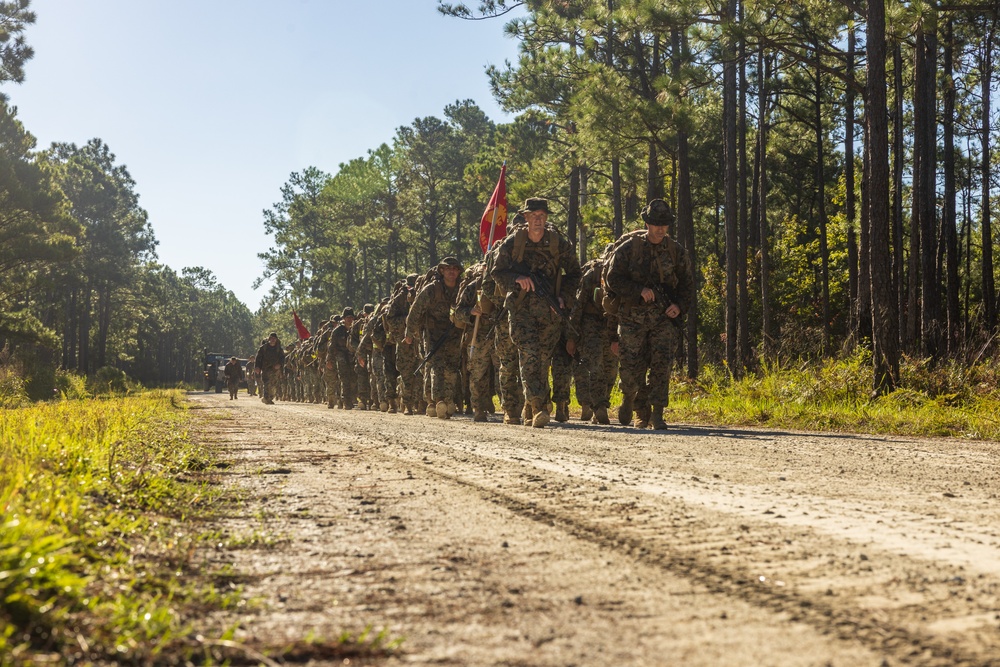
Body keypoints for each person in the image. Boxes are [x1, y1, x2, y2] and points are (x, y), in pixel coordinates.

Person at [491, 197, 581, 428]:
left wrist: (564, 298)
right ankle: (538, 405)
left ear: (546, 217)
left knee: (542, 360)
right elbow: (497, 273)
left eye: (542, 215)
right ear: (526, 218)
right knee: (529, 354)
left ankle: (531, 406)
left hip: (550, 311)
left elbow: (574, 274)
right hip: (520, 310)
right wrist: (517, 279)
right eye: (533, 215)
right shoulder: (513, 243)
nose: (538, 219)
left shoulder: (559, 244)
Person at [605, 199, 694, 429]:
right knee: (632, 366)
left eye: (664, 224)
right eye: (655, 223)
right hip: (632, 318)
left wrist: (679, 306)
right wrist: (639, 290)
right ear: (647, 223)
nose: (660, 228)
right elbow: (612, 279)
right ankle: (634, 403)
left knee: (661, 365)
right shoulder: (628, 249)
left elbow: (688, 286)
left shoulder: (676, 252)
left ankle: (656, 413)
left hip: (663, 319)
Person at [405, 256, 464, 419]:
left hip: (453, 333)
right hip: (433, 333)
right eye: (448, 268)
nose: (452, 271)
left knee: (452, 368)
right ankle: (437, 401)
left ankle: (448, 399)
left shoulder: (462, 289)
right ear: (442, 271)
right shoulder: (432, 289)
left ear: (459, 272)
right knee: (436, 366)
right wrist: (409, 333)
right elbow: (415, 311)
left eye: (455, 269)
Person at [329, 308, 358, 409]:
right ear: (344, 318)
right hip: (341, 356)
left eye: (351, 317)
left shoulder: (356, 328)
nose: (349, 319)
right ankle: (346, 401)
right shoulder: (337, 331)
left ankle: (347, 399)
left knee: (353, 379)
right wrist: (329, 360)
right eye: (347, 317)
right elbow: (331, 346)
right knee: (344, 378)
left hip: (352, 356)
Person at [255, 332, 285, 405]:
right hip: (265, 368)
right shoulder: (264, 348)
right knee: (267, 383)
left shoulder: (279, 349)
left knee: (274, 384)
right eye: (271, 338)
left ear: (276, 339)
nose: (273, 340)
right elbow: (258, 358)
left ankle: (270, 398)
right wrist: (257, 367)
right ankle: (266, 398)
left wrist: (280, 365)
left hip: (275, 369)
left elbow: (283, 358)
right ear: (269, 339)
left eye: (274, 339)